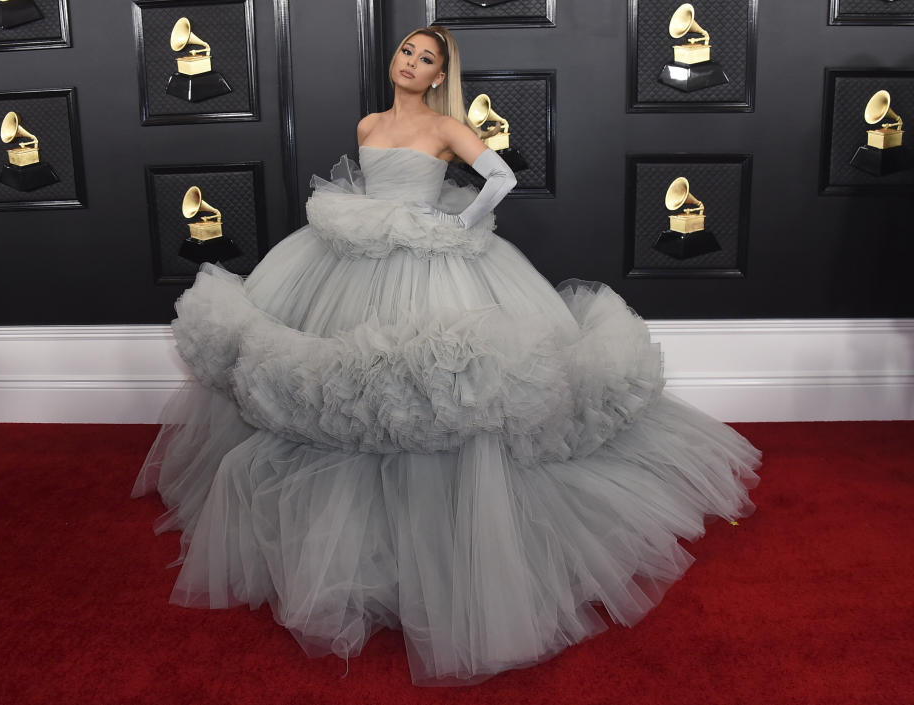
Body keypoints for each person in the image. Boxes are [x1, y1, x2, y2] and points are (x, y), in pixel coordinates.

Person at [132, 25, 761, 687]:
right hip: (352, 261)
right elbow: (373, 188)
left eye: (425, 58)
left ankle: (442, 543)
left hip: (433, 267)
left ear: (439, 76)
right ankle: (360, 537)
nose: (411, 62)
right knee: (354, 387)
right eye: (407, 51)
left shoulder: (443, 127)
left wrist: (458, 225)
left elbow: (499, 175)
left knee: (439, 386)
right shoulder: (369, 121)